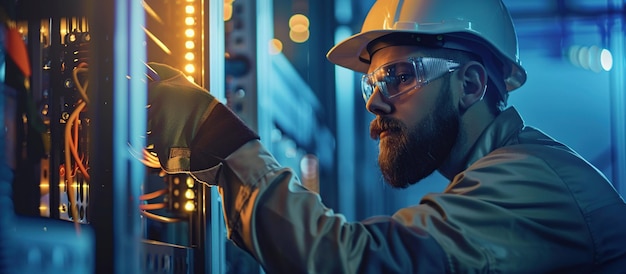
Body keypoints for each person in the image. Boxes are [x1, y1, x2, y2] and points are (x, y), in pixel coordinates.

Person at [146, 0, 626, 272]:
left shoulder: (531, 184)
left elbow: (364, 264)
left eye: (398, 77)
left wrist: (228, 145)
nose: (375, 103)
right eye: (370, 84)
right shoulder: (498, 177)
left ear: (472, 84)